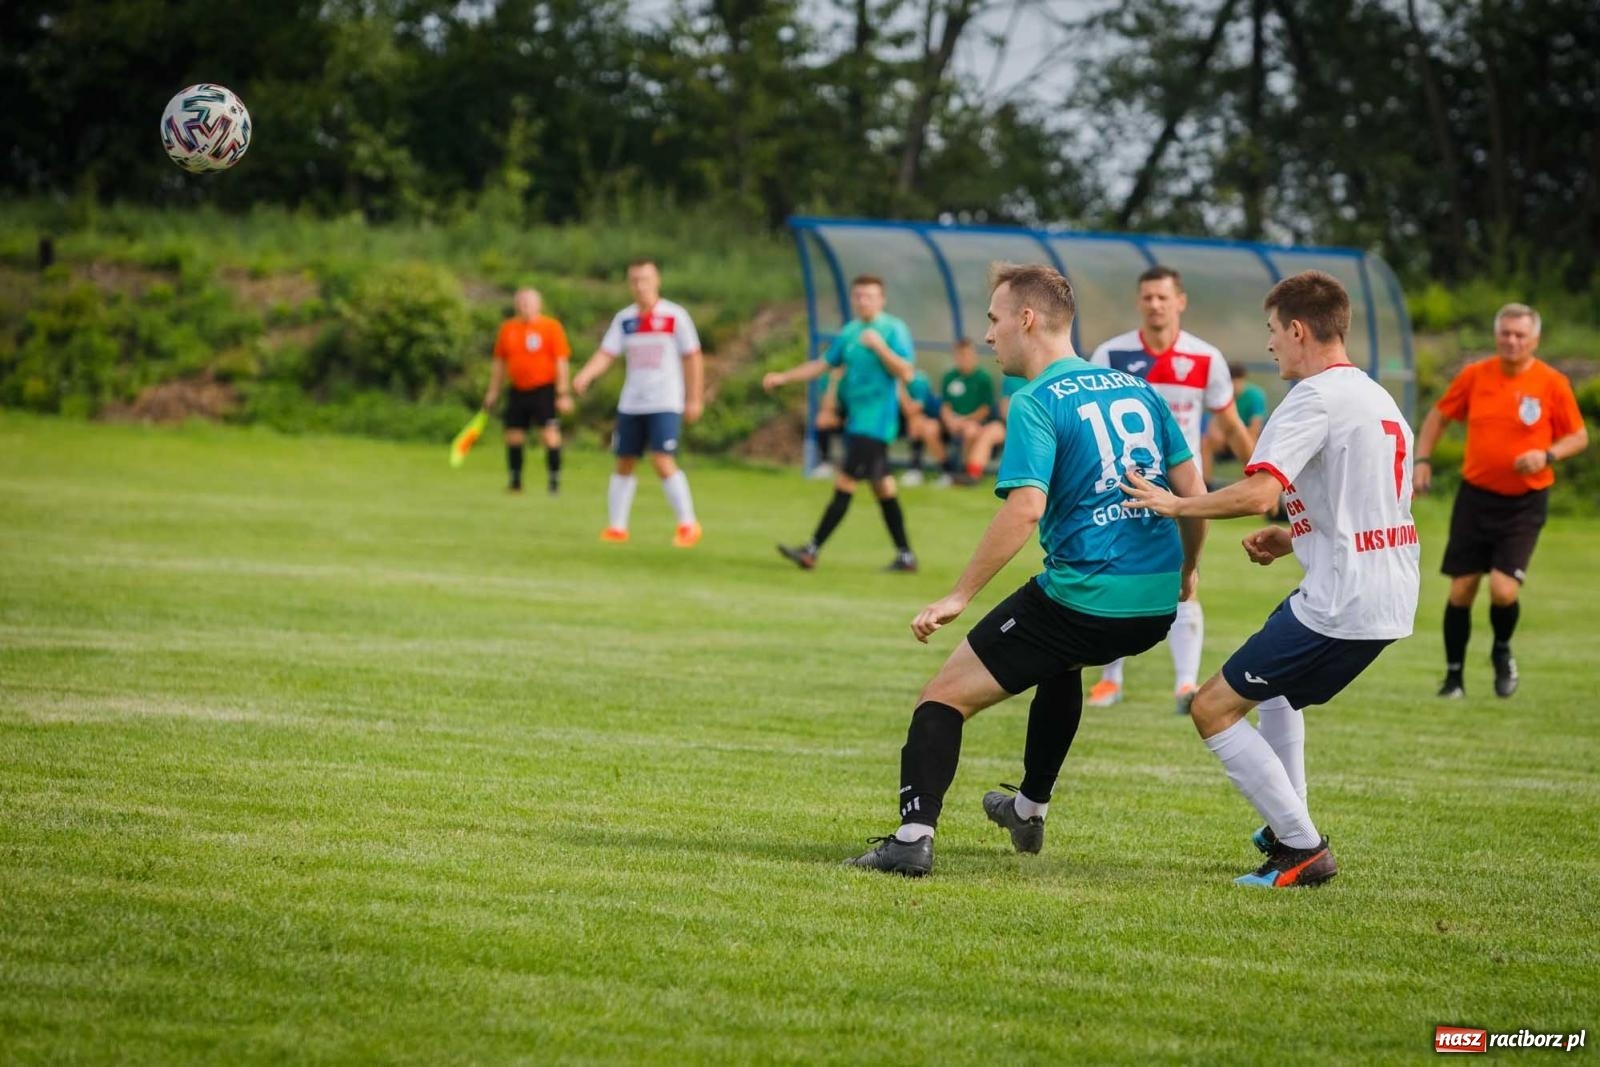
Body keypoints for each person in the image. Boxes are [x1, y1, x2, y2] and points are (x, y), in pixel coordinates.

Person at [844, 263, 1206, 877]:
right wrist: (1188, 571)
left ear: (1027, 320)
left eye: (993, 319)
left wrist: (959, 595)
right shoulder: (1137, 387)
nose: (989, 335)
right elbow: (1193, 491)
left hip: (1086, 596)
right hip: (1152, 606)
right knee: (1059, 661)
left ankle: (911, 838)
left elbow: (1026, 507)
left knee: (941, 698)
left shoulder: (1035, 400)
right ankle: (1028, 809)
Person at [1121, 270, 1419, 888]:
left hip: (1341, 600)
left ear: (1299, 329)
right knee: (1275, 693)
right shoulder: (1374, 395)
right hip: (1387, 590)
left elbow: (1258, 494)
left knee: (1212, 707)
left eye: (1273, 332)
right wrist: (1294, 537)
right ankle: (1290, 829)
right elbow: (1365, 499)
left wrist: (1175, 504)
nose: (1270, 346)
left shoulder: (1311, 398)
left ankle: (1303, 848)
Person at [1086, 265, 1258, 714]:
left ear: (1180, 301)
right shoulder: (1111, 355)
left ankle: (1185, 686)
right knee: (1115, 576)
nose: (1155, 305)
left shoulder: (1205, 359)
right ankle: (1110, 680)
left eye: (1163, 297)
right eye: (1147, 297)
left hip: (1185, 490)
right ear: (1138, 301)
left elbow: (1231, 425)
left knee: (1187, 578)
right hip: (1125, 486)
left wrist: (1264, 475)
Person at [1413, 303, 1588, 698]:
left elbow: (1579, 436)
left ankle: (1502, 650)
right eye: (1506, 333)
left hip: (1525, 502)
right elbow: (1438, 416)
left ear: (1535, 339)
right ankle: (1454, 678)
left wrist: (1547, 455)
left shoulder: (1552, 383)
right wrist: (1422, 460)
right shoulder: (1475, 376)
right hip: (1475, 497)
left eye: (1520, 335)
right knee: (1461, 590)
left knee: (1504, 591)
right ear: (1496, 335)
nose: (1512, 341)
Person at [764, 275, 919, 572]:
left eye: (870, 296)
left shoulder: (892, 329)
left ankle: (811, 549)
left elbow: (907, 372)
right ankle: (905, 556)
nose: (863, 301)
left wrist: (880, 348)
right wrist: (784, 377)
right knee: (884, 489)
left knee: (845, 482)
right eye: (858, 295)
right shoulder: (850, 332)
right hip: (857, 422)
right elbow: (822, 365)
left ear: (881, 299)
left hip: (875, 425)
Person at [571, 259, 704, 547]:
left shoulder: (674, 317)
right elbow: (606, 353)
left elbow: (692, 356)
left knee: (661, 459)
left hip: (666, 400)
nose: (640, 286)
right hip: (632, 402)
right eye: (634, 280)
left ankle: (688, 524)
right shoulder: (625, 320)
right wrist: (586, 374)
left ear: (657, 281)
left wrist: (694, 398)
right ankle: (617, 527)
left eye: (645, 279)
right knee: (624, 461)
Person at [482, 288, 574, 495]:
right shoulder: (508, 329)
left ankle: (554, 483)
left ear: (538, 305)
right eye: (521, 302)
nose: (524, 306)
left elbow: (561, 360)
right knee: (513, 435)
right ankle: (515, 482)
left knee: (549, 435)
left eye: (528, 302)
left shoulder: (551, 327)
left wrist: (563, 392)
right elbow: (499, 362)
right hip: (517, 389)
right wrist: (493, 391)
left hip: (544, 389)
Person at [912, 338, 993, 486]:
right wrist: (950, 420)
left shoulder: (983, 378)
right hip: (950, 422)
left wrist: (965, 420)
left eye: (967, 354)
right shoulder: (949, 377)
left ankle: (965, 473)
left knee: (971, 431)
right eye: (960, 355)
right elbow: (945, 405)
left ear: (974, 355)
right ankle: (946, 471)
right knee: (928, 427)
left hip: (971, 422)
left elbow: (985, 409)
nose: (964, 358)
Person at [1201, 361, 1269, 485]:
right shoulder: (1222, 396)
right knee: (1205, 443)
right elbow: (1214, 423)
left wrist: (1240, 440)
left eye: (1236, 381)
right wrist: (1218, 436)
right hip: (1226, 441)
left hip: (1246, 439)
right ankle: (1205, 484)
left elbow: (1255, 428)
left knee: (1252, 444)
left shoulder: (1255, 395)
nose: (1234, 385)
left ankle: (1247, 484)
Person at [960, 372, 1027, 481]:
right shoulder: (1011, 379)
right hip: (1010, 423)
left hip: (1033, 426)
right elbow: (1004, 408)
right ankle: (972, 475)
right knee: (986, 433)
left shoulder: (1044, 376)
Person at [897, 368, 941, 487]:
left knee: (917, 422)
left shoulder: (919, 380)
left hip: (931, 420)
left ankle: (916, 470)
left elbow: (911, 410)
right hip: (896, 421)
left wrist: (899, 388)